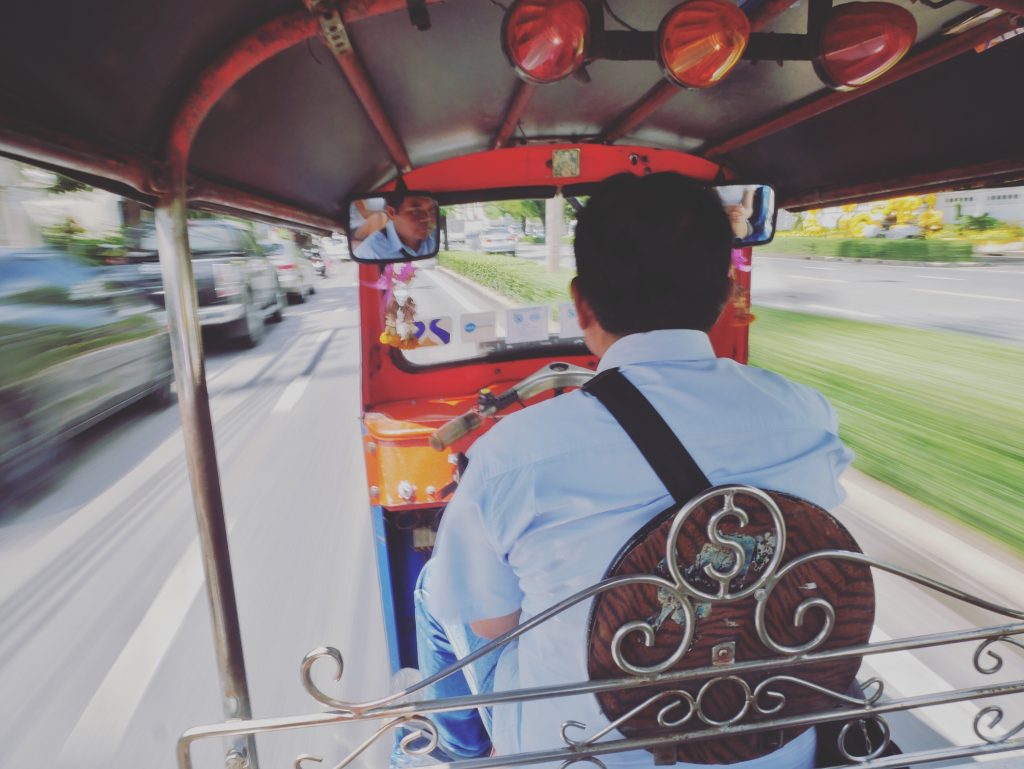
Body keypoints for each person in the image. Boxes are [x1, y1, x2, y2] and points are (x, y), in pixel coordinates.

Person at [414, 173, 853, 768]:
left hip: (578, 749)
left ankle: (449, 756)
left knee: (434, 590)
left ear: (581, 303)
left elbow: (490, 623)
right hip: (774, 742)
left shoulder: (515, 452)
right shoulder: (808, 415)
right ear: (725, 293)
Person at [354, 192, 438, 261]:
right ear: (391, 213)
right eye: (416, 211)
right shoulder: (369, 253)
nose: (427, 218)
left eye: (431, 211)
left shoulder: (435, 237)